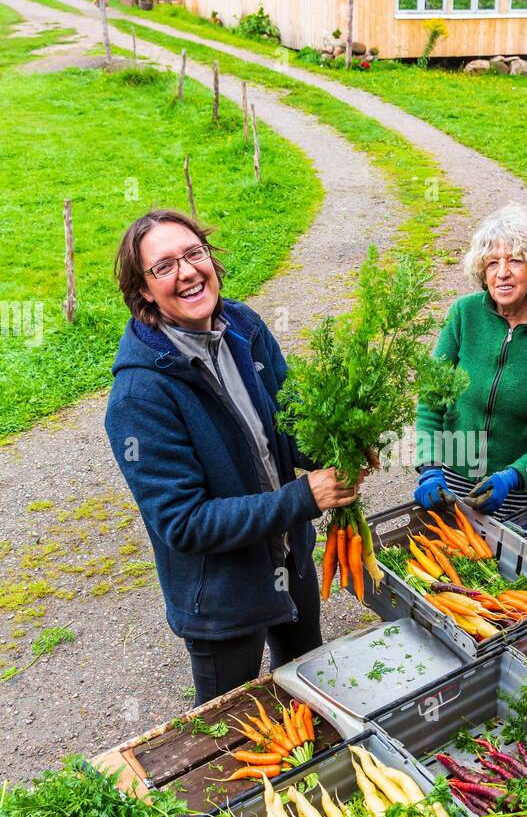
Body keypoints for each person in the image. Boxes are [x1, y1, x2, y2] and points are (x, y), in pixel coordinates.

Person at [105, 209, 359, 706]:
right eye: (164, 266)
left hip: (290, 557)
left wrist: (335, 445)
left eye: (194, 253)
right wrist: (303, 498)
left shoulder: (243, 325)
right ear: (143, 293)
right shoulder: (139, 396)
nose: (187, 271)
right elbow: (185, 524)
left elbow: (287, 425)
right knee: (233, 729)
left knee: (307, 693)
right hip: (223, 595)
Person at [415, 202, 527, 520]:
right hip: (450, 482)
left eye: (514, 261)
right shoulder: (464, 315)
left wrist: (514, 475)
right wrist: (429, 466)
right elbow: (431, 399)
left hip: (516, 490)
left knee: (506, 566)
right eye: (492, 263)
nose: (502, 273)